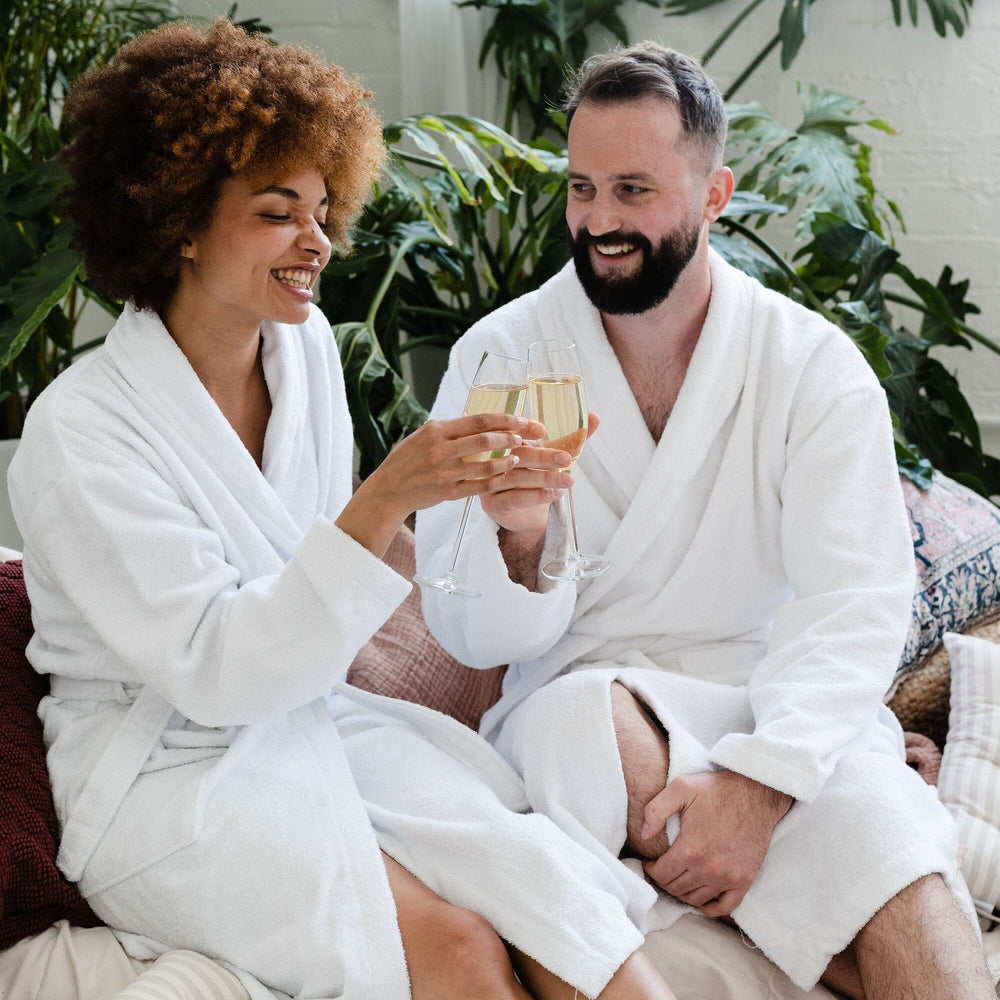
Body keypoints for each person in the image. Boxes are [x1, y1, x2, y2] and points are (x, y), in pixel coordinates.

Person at [7, 20, 682, 1000]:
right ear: (178, 221)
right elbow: (216, 673)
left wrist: (505, 518)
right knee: (455, 945)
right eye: (279, 212)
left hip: (312, 717)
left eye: (324, 209)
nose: (317, 241)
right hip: (162, 780)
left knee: (550, 902)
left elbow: (328, 615)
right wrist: (385, 499)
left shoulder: (307, 350)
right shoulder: (80, 431)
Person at [415, 41, 997, 999]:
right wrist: (517, 539)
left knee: (884, 834)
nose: (599, 221)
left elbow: (855, 599)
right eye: (581, 188)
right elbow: (466, 629)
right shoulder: (503, 353)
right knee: (588, 727)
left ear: (715, 192)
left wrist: (762, 785)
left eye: (634, 190)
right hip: (588, 697)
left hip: (770, 696)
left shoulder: (809, 364)